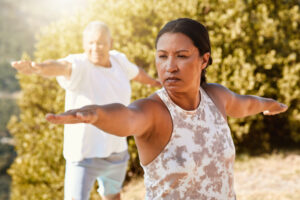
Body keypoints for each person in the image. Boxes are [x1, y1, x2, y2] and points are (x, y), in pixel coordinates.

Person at [45, 18, 288, 199]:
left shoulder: (216, 96)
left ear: (204, 60)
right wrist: (95, 114)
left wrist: (269, 104)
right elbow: (126, 117)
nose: (170, 66)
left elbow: (246, 103)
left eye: (181, 56)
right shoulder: (153, 110)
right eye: (162, 56)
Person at [11, 21, 160, 200]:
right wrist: (39, 68)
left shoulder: (119, 60)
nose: (95, 47)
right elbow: (61, 66)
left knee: (113, 196)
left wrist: (157, 83)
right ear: (84, 44)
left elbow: (138, 73)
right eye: (90, 43)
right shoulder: (79, 65)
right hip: (83, 157)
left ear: (110, 43)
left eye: (100, 42)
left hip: (116, 153)